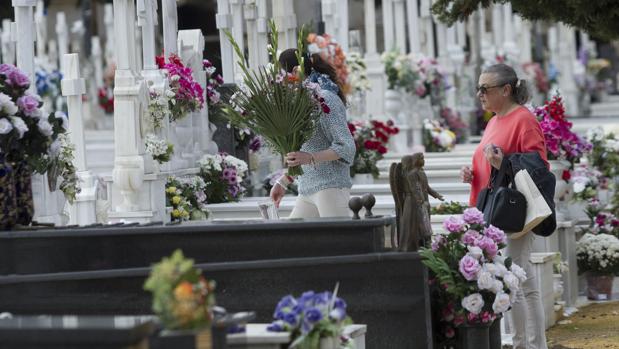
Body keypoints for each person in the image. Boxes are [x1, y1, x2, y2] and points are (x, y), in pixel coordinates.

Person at [461, 64, 549, 349]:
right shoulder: (494, 120)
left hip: (513, 211)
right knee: (525, 282)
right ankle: (535, 344)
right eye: (478, 88)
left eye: (484, 89)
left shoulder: (523, 119)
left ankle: (525, 344)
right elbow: (490, 165)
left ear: (506, 90)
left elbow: (539, 166)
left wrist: (505, 162)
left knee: (514, 281)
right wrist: (472, 172)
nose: (479, 94)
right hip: (493, 209)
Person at [269, 49, 356, 218]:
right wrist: (284, 181)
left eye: (280, 75)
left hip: (330, 188)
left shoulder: (325, 99)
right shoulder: (301, 100)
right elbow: (305, 150)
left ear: (296, 71)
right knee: (291, 243)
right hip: (307, 190)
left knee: (339, 244)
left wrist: (309, 157)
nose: (279, 82)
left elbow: (346, 147)